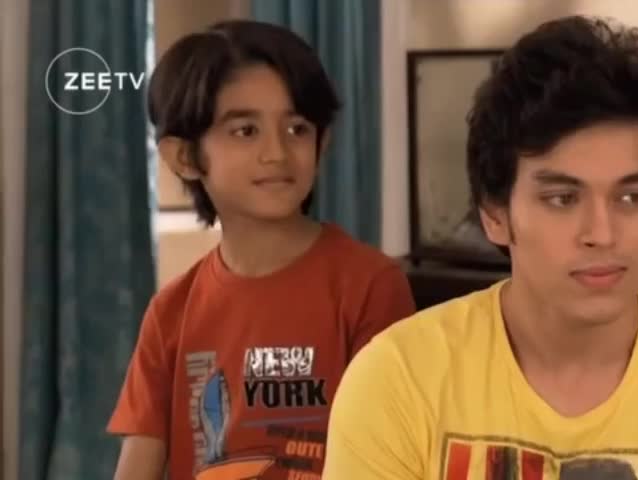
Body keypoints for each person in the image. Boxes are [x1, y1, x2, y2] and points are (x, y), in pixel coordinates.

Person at [323, 16, 638, 479]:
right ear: (494, 214)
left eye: (630, 197)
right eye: (563, 199)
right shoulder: (398, 380)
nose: (602, 233)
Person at [108, 20, 415, 480]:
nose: (277, 152)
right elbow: (137, 464)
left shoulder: (369, 287)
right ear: (184, 157)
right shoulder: (170, 312)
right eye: (246, 130)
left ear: (322, 142)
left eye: (297, 128)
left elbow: (392, 456)